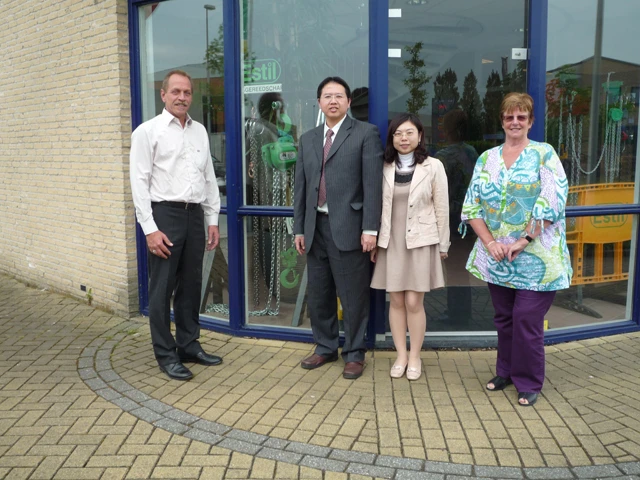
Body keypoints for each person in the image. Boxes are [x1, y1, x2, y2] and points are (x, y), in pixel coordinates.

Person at [460, 92, 572, 406]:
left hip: (537, 257)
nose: (515, 122)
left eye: (521, 117)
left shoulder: (544, 154)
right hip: (498, 257)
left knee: (526, 318)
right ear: (502, 121)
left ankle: (529, 381)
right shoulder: (487, 158)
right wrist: (490, 242)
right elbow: (471, 206)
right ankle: (505, 372)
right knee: (504, 318)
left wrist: (524, 240)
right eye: (509, 117)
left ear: (530, 121)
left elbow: (552, 201)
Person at [130, 70, 222, 381]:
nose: (182, 97)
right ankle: (166, 354)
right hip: (165, 215)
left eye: (187, 92)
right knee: (162, 288)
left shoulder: (200, 132)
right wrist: (149, 229)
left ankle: (188, 344)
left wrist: (211, 219)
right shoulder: (147, 132)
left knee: (191, 285)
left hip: (194, 215)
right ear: (163, 94)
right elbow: (139, 183)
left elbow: (208, 177)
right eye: (176, 92)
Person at [294, 76, 383, 380]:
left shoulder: (365, 133)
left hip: (349, 228)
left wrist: (370, 229)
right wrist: (299, 229)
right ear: (319, 102)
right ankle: (325, 347)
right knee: (319, 294)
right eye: (327, 96)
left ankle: (355, 353)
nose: (333, 101)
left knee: (353, 295)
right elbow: (301, 187)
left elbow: (372, 185)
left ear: (348, 101)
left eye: (339, 96)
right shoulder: (307, 139)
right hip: (315, 227)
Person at [370, 113, 450, 380]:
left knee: (414, 301)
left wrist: (443, 244)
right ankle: (401, 355)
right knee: (396, 300)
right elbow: (376, 206)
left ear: (420, 136)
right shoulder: (383, 166)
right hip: (390, 241)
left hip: (420, 241)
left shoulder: (433, 166)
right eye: (398, 134)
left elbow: (442, 207)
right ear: (391, 138)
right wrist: (374, 240)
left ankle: (415, 356)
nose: (403, 138)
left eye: (409, 133)